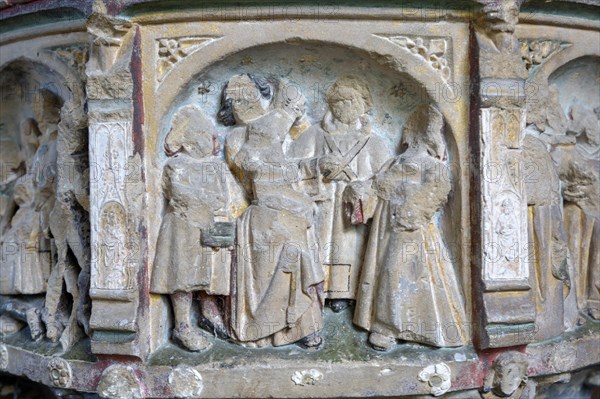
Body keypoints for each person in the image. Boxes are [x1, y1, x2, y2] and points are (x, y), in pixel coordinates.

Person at [351, 104, 468, 350]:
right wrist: (361, 191)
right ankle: (384, 325)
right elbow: (377, 186)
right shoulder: (394, 163)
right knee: (384, 272)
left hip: (411, 229)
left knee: (400, 272)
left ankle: (402, 325)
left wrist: (412, 210)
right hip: (384, 227)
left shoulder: (431, 165)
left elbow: (438, 188)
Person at [220, 73, 325, 348]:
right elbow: (247, 176)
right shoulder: (236, 137)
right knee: (281, 239)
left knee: (297, 245)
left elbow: (292, 170)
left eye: (248, 94)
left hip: (290, 206)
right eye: (235, 98)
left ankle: (301, 326)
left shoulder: (281, 129)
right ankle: (264, 329)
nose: (241, 102)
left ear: (262, 96)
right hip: (261, 211)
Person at [287, 76, 391, 311]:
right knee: (321, 244)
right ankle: (317, 289)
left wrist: (363, 186)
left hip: (353, 205)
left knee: (350, 247)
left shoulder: (373, 142)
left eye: (350, 100)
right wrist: (317, 164)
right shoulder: (314, 134)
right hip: (323, 201)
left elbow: (385, 176)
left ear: (364, 104)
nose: (343, 105)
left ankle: (347, 293)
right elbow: (289, 167)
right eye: (338, 101)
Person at [150, 105, 242, 351]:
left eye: (211, 135)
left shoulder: (217, 166)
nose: (211, 141)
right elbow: (179, 194)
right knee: (183, 276)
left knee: (211, 273)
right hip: (183, 227)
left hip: (211, 225)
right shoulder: (176, 165)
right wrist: (206, 200)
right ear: (188, 140)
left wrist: (212, 203)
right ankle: (182, 325)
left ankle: (209, 312)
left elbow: (224, 196)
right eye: (203, 135)